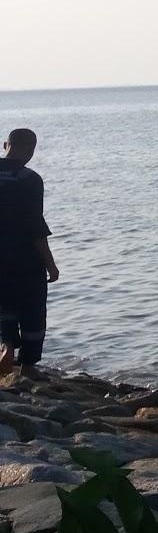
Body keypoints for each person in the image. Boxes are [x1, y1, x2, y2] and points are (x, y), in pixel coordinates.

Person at [0, 129, 59, 378]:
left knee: (4, 307)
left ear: (6, 144)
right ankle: (27, 367)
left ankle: (7, 347)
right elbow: (35, 225)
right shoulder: (30, 179)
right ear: (31, 149)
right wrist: (50, 264)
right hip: (25, 258)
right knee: (32, 310)